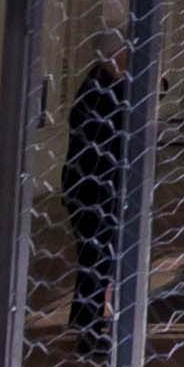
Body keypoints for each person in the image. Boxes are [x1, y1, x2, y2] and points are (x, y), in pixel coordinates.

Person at [61, 32, 129, 338]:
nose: (129, 58)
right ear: (112, 56)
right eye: (125, 52)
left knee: (95, 257)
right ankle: (89, 331)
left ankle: (82, 318)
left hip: (98, 185)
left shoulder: (104, 84)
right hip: (92, 188)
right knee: (97, 258)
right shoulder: (98, 89)